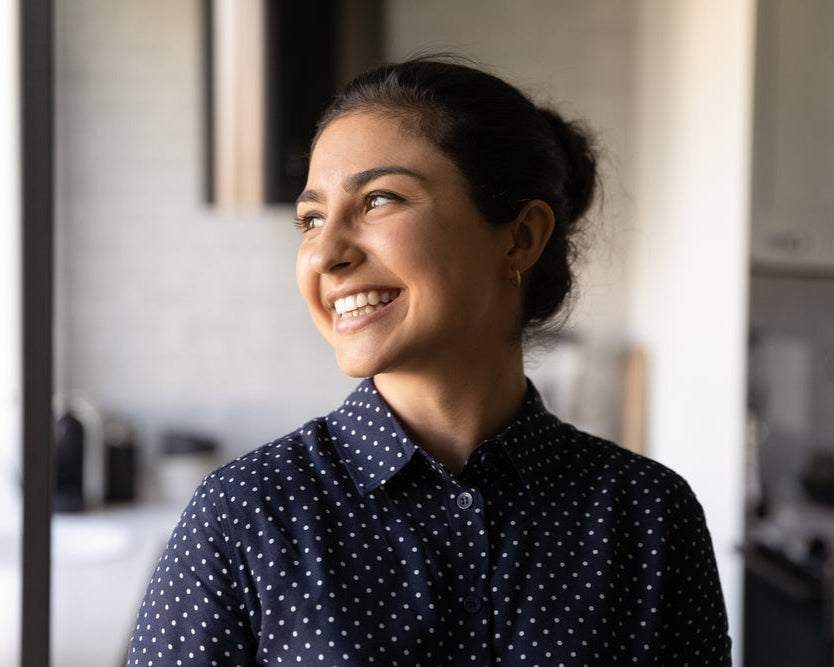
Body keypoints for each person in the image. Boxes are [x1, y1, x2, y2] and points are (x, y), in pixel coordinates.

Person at [127, 58, 731, 665]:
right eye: (311, 219)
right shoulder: (244, 516)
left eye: (379, 199)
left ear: (520, 238)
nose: (325, 253)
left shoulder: (649, 518)